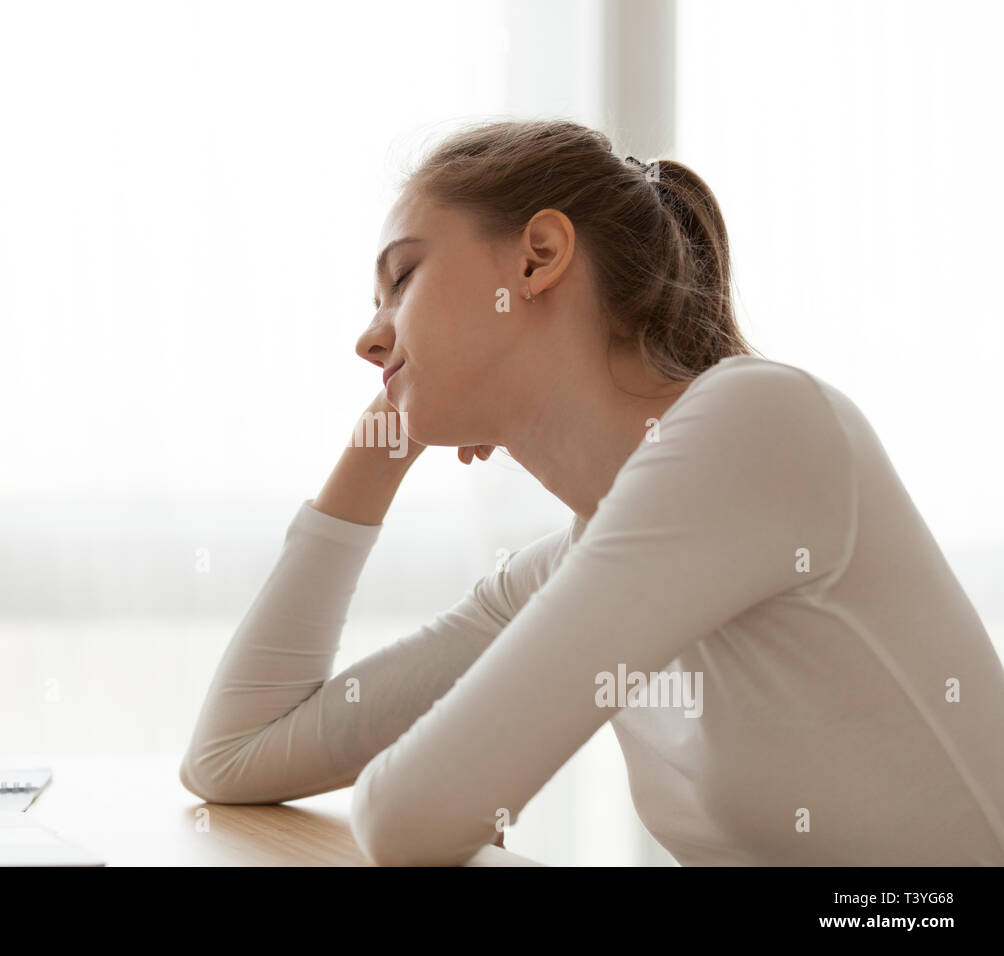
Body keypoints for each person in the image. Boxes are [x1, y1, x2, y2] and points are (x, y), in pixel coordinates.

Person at [179, 119, 1004, 866]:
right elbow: (230, 755)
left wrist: (452, 789)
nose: (368, 335)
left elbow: (405, 817)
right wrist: (386, 440)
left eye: (403, 279)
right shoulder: (564, 568)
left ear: (537, 256)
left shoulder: (759, 421)